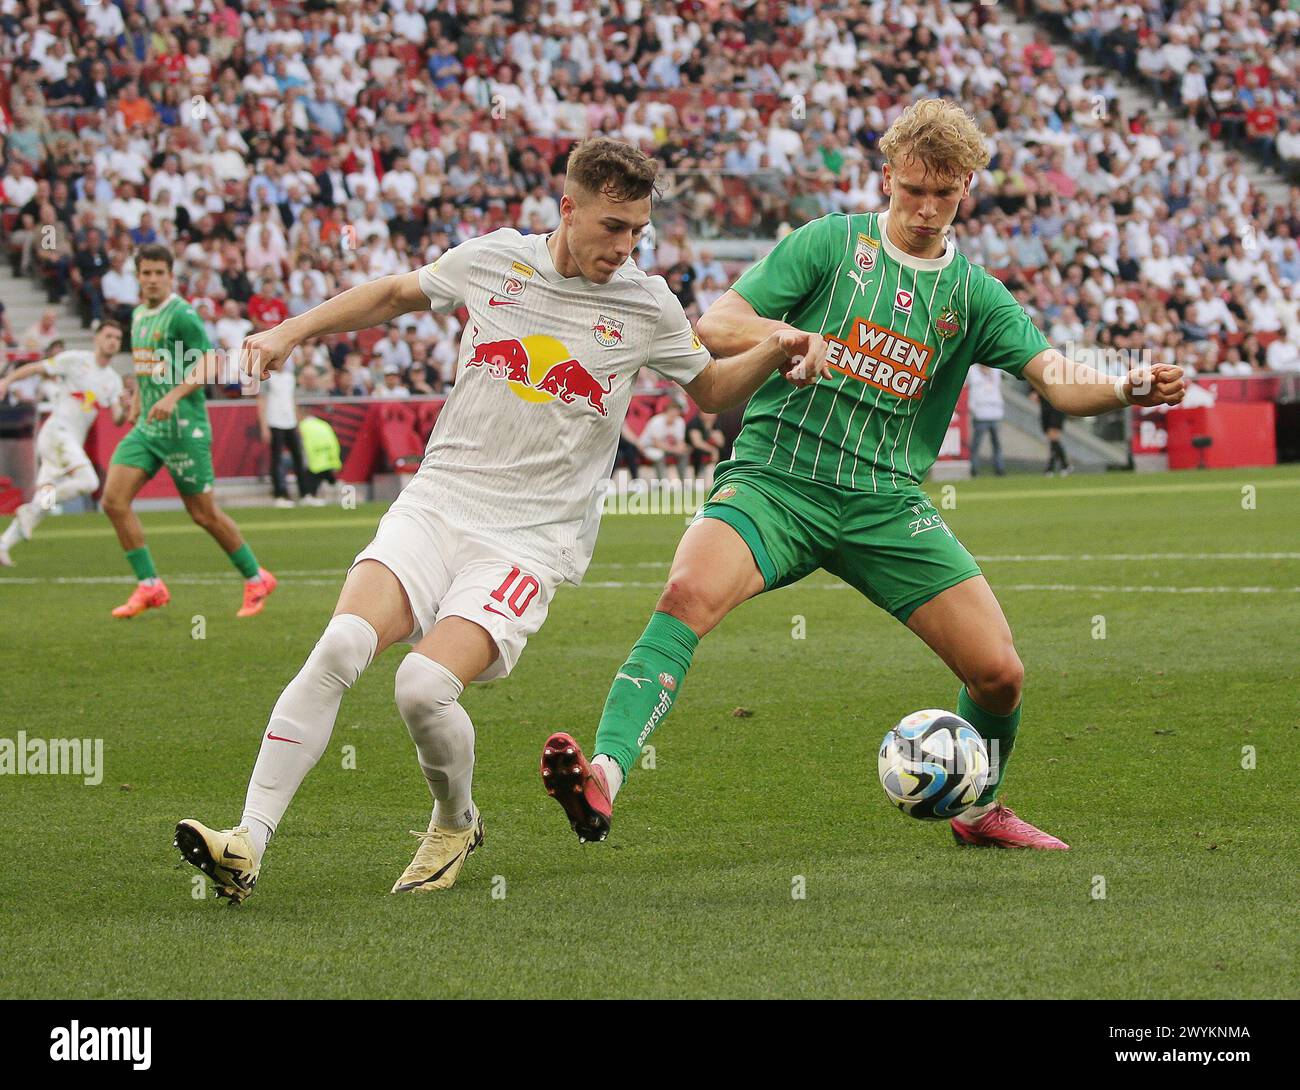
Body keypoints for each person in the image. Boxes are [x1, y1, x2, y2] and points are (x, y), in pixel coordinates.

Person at [172, 137, 818, 903]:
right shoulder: (494, 261)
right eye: (612, 226)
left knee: (420, 690)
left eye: (638, 230)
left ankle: (455, 820)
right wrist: (288, 332)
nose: (626, 246)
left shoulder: (645, 303)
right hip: (437, 501)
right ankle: (247, 842)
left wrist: (776, 350)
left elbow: (709, 390)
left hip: (528, 540)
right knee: (342, 642)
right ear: (567, 208)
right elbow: (392, 295)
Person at [541, 100, 1186, 852]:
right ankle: (605, 777)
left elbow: (1057, 379)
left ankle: (977, 811)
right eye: (912, 189)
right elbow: (715, 325)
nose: (925, 208)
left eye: (943, 195)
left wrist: (1127, 386)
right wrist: (791, 335)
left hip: (885, 502)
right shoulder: (830, 244)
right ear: (887, 177)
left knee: (1000, 673)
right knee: (685, 596)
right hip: (778, 481)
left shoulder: (974, 295)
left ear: (966, 190)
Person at [101, 244, 277, 618]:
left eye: (158, 273)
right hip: (150, 427)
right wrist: (138, 402)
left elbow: (211, 363)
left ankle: (255, 576)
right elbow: (146, 365)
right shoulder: (138, 315)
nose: (151, 279)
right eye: (145, 273)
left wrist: (173, 396)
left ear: (170, 275)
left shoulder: (182, 315)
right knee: (113, 501)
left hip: (184, 427)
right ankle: (149, 585)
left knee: (203, 514)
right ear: (138, 277)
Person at [0, 322, 129, 566]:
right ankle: (27, 510)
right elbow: (37, 368)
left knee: (46, 502)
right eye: (109, 335)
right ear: (97, 338)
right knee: (89, 481)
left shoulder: (113, 380)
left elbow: (118, 418)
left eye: (118, 337)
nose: (113, 341)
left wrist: (127, 406)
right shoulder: (75, 360)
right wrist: (7, 381)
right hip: (57, 434)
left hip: (67, 443)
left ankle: (3, 543)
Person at [259, 353, 306, 508]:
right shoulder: (267, 378)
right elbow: (262, 402)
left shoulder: (290, 378)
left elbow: (293, 401)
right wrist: (264, 426)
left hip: (290, 421)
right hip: (275, 421)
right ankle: (280, 494)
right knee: (277, 459)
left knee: (298, 458)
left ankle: (304, 493)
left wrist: (298, 423)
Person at [296, 405, 341, 505]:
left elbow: (304, 447)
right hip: (329, 460)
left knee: (311, 479)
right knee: (329, 479)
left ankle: (309, 495)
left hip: (314, 462)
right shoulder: (323, 424)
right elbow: (334, 443)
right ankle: (339, 491)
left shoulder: (302, 427)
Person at [967, 364, 1006, 476]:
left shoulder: (996, 370)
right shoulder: (972, 370)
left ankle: (999, 468)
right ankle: (974, 469)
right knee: (976, 444)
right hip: (980, 412)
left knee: (997, 443)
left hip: (995, 411)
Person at [637, 399, 690, 479]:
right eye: (672, 412)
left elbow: (680, 442)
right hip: (648, 446)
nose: (674, 415)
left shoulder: (679, 421)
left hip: (668, 447)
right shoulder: (656, 421)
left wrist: (681, 448)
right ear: (666, 412)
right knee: (659, 455)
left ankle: (683, 481)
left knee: (684, 454)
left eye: (676, 412)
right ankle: (662, 482)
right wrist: (675, 449)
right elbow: (657, 444)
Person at [685, 407, 726, 487]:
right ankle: (697, 478)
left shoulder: (715, 423)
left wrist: (711, 432)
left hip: (708, 447)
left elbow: (721, 442)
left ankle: (721, 477)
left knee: (723, 451)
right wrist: (712, 450)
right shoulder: (695, 423)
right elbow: (697, 443)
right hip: (693, 449)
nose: (712, 416)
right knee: (698, 452)